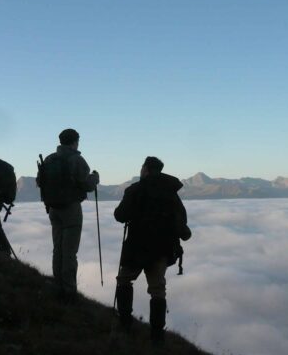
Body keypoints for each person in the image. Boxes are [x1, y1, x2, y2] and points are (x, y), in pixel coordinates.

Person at [113, 156, 191, 344]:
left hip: (137, 247)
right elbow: (181, 220)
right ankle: (157, 336)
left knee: (124, 280)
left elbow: (120, 215)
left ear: (146, 169)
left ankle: (124, 322)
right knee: (157, 290)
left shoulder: (135, 190)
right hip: (162, 248)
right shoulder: (171, 193)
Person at [37, 129, 99, 303]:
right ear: (75, 142)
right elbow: (87, 184)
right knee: (70, 252)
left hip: (53, 209)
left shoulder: (49, 159)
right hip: (71, 209)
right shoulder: (76, 159)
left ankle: (58, 285)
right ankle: (69, 291)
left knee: (58, 248)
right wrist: (95, 178)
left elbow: (39, 181)